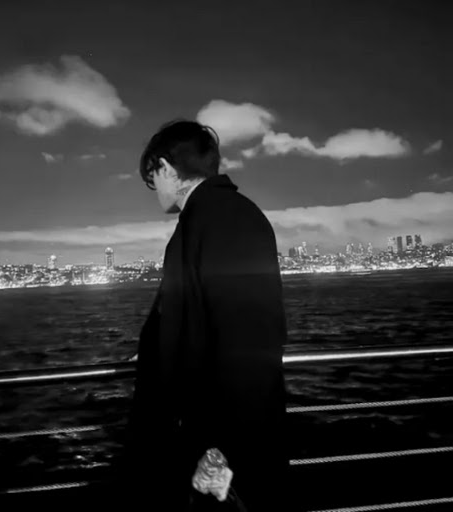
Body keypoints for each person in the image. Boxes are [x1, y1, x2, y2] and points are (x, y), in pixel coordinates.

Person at [119, 119, 293, 511]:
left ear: (166, 168)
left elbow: (247, 339)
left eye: (152, 178)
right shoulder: (215, 217)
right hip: (210, 436)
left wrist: (220, 449)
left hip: (219, 448)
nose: (154, 189)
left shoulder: (222, 221)